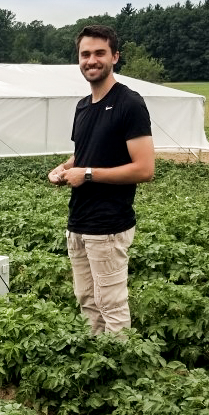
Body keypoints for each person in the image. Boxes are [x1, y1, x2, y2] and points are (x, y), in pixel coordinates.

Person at [48, 24, 154, 335]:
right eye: (85, 54)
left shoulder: (129, 104)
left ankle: (120, 370)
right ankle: (97, 362)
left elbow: (145, 169)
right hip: (78, 220)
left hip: (109, 225)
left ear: (115, 57)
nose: (91, 60)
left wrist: (89, 174)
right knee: (86, 300)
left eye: (99, 53)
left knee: (111, 304)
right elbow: (83, 154)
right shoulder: (82, 106)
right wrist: (64, 168)